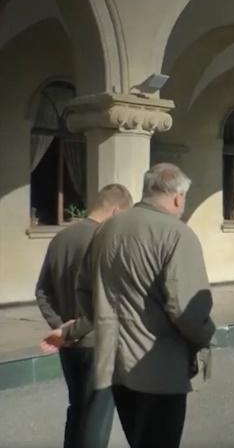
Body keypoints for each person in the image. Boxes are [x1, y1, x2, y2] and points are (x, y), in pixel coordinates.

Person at [76, 163, 215, 448]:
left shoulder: (106, 229)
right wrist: (206, 335)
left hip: (116, 365)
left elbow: (84, 291)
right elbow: (187, 310)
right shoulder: (178, 234)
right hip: (159, 370)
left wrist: (104, 323)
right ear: (178, 197)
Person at [36, 184, 133, 448]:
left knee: (77, 409)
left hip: (68, 345)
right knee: (97, 417)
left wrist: (59, 328)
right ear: (115, 211)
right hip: (98, 341)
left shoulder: (60, 238)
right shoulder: (107, 241)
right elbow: (108, 300)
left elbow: (42, 290)